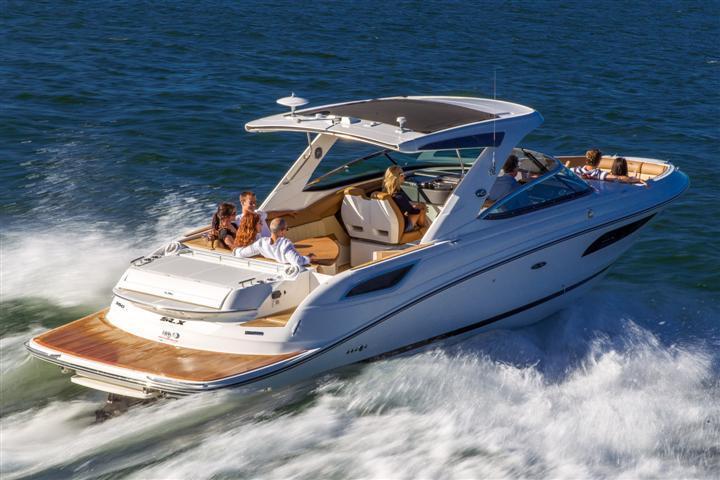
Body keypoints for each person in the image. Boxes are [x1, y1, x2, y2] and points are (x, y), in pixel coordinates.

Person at [234, 218, 316, 267]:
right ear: (282, 231)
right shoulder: (285, 244)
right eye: (286, 229)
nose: (286, 231)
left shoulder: (261, 243)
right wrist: (308, 257)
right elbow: (297, 262)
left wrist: (234, 250)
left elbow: (241, 253)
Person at [383, 166, 428, 231]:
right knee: (422, 208)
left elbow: (402, 207)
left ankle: (422, 227)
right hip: (403, 226)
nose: (404, 176)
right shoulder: (398, 196)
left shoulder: (385, 193)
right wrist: (420, 207)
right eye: (402, 175)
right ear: (395, 178)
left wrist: (412, 205)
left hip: (391, 223)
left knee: (417, 206)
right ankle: (424, 229)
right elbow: (414, 212)